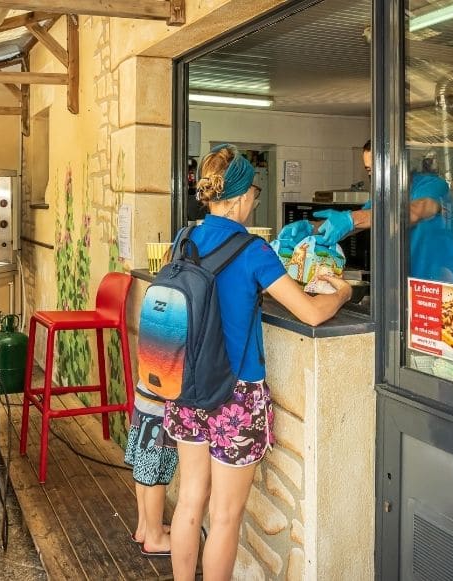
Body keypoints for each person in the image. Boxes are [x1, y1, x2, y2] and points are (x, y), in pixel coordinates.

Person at [164, 144, 351, 581]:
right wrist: (339, 292)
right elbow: (310, 312)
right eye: (253, 191)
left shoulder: (183, 239)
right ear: (239, 195)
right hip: (236, 395)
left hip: (187, 386)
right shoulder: (253, 251)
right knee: (225, 518)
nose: (255, 199)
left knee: (190, 501)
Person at [282, 140, 453, 285]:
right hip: (412, 286)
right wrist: (311, 230)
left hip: (449, 282)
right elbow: (362, 221)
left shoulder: (432, 185)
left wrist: (351, 219)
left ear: (400, 163)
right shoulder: (384, 196)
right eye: (369, 170)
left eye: (378, 169)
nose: (373, 176)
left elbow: (416, 211)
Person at [124, 381, 177, 557]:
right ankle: (155, 538)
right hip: (160, 407)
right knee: (156, 477)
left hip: (145, 398)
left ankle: (144, 528)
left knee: (145, 470)